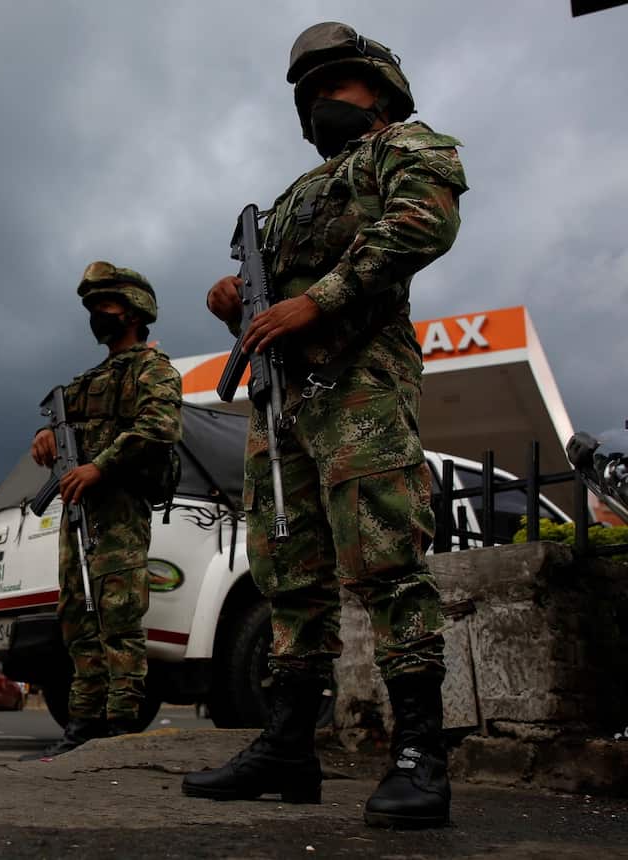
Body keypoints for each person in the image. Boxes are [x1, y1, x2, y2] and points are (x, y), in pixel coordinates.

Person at [183, 23, 468, 830]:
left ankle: (420, 755)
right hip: (286, 404)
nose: (317, 105)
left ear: (377, 91)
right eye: (306, 96)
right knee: (286, 575)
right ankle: (285, 747)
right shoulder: (291, 200)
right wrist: (240, 301)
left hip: (359, 381)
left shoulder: (403, 148)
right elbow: (273, 292)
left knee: (385, 557)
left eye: (332, 87)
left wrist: (321, 299)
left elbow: (422, 222)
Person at [22, 261, 182, 759]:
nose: (98, 315)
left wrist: (100, 468)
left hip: (118, 510)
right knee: (77, 615)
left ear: (134, 312)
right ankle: (83, 724)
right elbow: (56, 424)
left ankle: (122, 727)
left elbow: (159, 428)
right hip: (78, 514)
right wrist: (45, 437)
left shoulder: (154, 369)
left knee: (118, 616)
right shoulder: (85, 382)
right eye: (93, 308)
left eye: (106, 307)